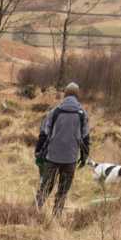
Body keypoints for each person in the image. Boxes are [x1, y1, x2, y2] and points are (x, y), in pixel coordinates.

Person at [33, 82, 90, 219]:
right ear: (77, 95)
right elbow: (85, 138)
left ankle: (32, 214)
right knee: (63, 191)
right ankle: (56, 217)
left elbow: (44, 133)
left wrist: (38, 153)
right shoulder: (82, 114)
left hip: (53, 157)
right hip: (71, 159)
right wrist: (84, 157)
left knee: (45, 188)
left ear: (65, 94)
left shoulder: (55, 112)